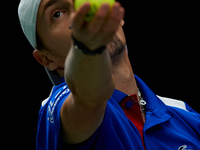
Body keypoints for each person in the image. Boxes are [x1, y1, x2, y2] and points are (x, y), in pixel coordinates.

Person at [18, 0, 200, 149]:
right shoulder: (57, 106)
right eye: (57, 14)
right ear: (46, 59)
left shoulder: (186, 114)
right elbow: (86, 99)